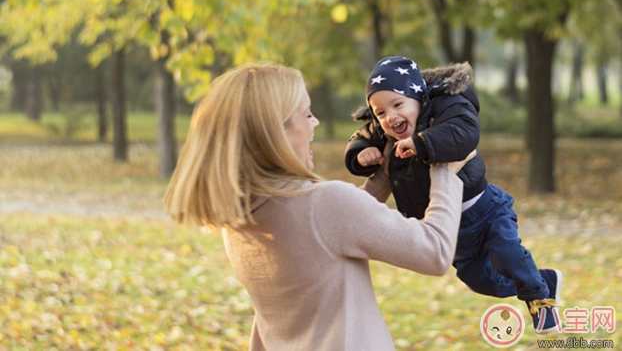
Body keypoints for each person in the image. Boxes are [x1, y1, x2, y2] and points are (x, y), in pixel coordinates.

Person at [164, 62, 474, 351]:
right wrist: (444, 171)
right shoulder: (324, 204)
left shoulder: (238, 216)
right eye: (307, 114)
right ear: (276, 132)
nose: (316, 122)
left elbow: (327, 233)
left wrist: (384, 176)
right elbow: (433, 252)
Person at [344, 56, 562, 334]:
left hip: (485, 211)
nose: (390, 118)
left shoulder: (447, 106)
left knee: (508, 255)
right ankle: (543, 280)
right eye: (380, 112)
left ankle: (540, 301)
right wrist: (361, 153)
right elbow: (360, 136)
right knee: (481, 280)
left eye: (398, 105)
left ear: (419, 97)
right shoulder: (384, 130)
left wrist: (422, 143)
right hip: (451, 229)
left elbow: (463, 133)